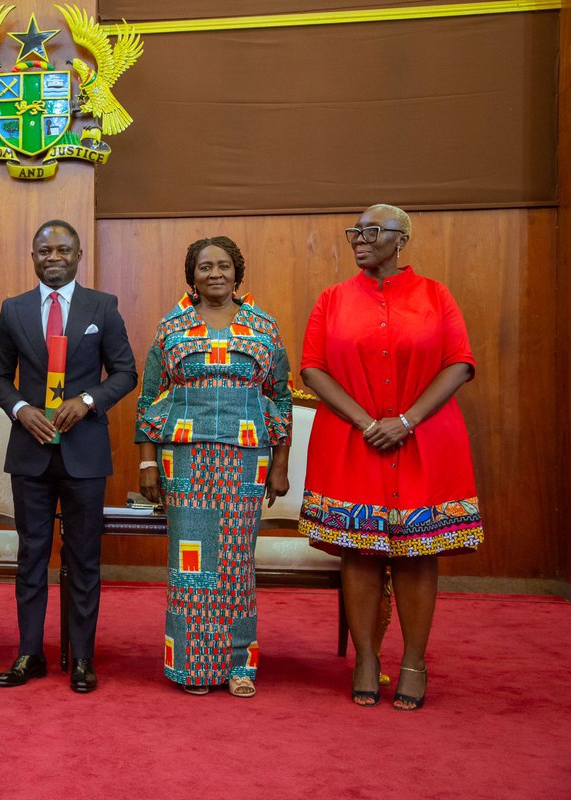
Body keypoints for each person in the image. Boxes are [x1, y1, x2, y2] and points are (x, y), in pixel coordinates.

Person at [299, 204, 482, 710]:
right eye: (354, 231)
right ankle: (366, 659)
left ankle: (415, 663)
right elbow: (312, 368)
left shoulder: (435, 295)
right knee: (358, 550)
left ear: (401, 239)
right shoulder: (332, 299)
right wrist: (366, 422)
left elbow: (459, 363)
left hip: (424, 440)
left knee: (419, 553)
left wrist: (405, 421)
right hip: (352, 442)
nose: (359, 239)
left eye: (371, 231)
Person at [135, 236, 292, 698]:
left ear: (237, 273)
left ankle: (240, 665)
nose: (215, 274)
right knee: (192, 566)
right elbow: (149, 399)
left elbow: (280, 398)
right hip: (185, 459)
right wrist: (147, 462)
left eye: (224, 266)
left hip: (245, 459)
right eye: (205, 267)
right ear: (192, 276)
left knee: (236, 564)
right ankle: (192, 667)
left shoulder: (263, 326)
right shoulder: (172, 326)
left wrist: (279, 466)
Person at [0, 220, 137, 694]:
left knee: (84, 558)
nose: (53, 257)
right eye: (44, 250)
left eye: (63, 250)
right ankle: (30, 653)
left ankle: (82, 658)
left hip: (84, 453)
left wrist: (88, 401)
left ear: (77, 256)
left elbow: (126, 372)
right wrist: (19, 408)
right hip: (30, 451)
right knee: (30, 556)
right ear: (33, 256)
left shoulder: (103, 307)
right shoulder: (13, 310)